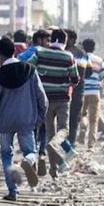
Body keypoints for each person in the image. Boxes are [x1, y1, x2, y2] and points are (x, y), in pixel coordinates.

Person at [0, 37, 48, 201]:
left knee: (6, 154)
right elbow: (42, 98)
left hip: (5, 122)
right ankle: (26, 162)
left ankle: (13, 191)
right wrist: (39, 118)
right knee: (31, 152)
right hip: (26, 119)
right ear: (14, 51)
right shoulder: (30, 70)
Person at [27, 29, 80, 177]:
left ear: (51, 40)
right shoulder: (68, 56)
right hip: (62, 99)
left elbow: (28, 67)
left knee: (50, 133)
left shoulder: (40, 53)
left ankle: (54, 170)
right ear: (64, 41)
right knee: (63, 130)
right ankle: (56, 158)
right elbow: (75, 80)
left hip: (45, 100)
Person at [80, 38, 104, 149]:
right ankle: (91, 144)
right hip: (94, 92)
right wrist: (100, 85)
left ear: (83, 47)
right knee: (94, 118)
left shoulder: (79, 59)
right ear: (94, 48)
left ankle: (83, 126)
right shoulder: (98, 60)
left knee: (82, 114)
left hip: (81, 92)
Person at [65, 29, 90, 147]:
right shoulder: (83, 53)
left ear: (72, 39)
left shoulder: (64, 52)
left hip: (64, 90)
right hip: (79, 90)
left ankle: (62, 142)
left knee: (62, 118)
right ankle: (72, 142)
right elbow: (89, 71)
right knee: (74, 117)